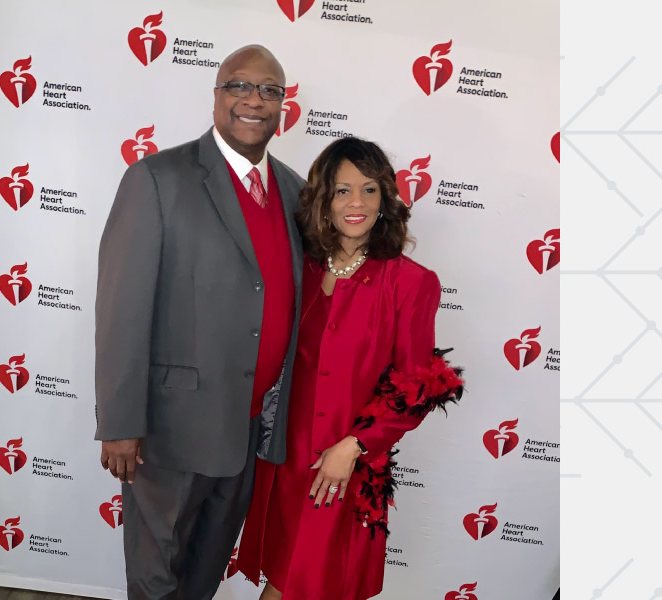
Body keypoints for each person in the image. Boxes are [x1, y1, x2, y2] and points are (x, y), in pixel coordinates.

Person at [94, 45, 304, 600]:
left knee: (204, 574)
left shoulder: (293, 190)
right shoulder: (157, 179)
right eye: (239, 85)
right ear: (216, 96)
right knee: (156, 577)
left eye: (270, 90)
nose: (254, 100)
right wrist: (119, 422)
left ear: (283, 106)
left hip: (249, 428)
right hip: (170, 430)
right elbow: (120, 308)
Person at [237, 137, 464, 600]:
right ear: (324, 199)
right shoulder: (299, 267)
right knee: (285, 576)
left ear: (385, 200)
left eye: (369, 190)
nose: (356, 202)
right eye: (342, 191)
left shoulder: (411, 282)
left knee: (307, 583)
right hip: (283, 458)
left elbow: (417, 386)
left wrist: (355, 446)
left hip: (345, 468)